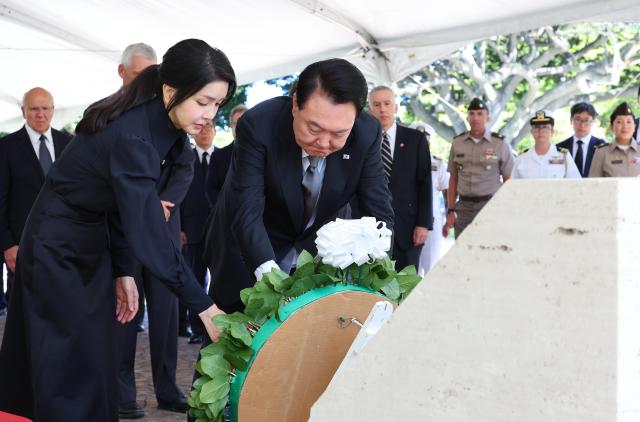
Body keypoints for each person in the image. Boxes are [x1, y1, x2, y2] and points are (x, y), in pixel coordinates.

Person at [0, 38, 234, 422]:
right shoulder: (134, 134)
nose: (210, 115)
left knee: (97, 354)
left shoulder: (168, 125)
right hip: (56, 245)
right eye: (203, 101)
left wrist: (124, 270)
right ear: (172, 90)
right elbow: (146, 230)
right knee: (68, 361)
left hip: (93, 239)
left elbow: (122, 210)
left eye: (218, 104)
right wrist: (204, 305)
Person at [203, 58, 394, 314]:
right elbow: (247, 212)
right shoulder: (259, 125)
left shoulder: (367, 132)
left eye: (338, 134)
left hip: (312, 252)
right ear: (295, 104)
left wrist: (377, 272)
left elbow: (378, 211)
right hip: (249, 247)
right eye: (314, 128)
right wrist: (270, 279)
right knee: (237, 338)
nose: (324, 143)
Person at [111, 43, 196, 419]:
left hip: (162, 227)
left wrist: (162, 203)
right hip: (123, 231)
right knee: (125, 314)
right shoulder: (109, 113)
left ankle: (167, 388)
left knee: (165, 315)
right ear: (122, 72)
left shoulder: (172, 113)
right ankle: (122, 393)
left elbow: (185, 167)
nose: (149, 80)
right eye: (140, 73)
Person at [0, 88, 72, 317]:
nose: (40, 114)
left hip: (64, 245)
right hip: (21, 247)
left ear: (52, 111)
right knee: (25, 315)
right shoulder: (6, 148)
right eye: (33, 109)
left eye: (45, 108)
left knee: (62, 312)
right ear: (23, 112)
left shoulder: (69, 144)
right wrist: (7, 245)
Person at [365, 86, 432, 271]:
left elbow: (425, 184)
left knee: (406, 288)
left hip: (408, 228)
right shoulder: (362, 139)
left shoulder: (415, 139)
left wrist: (423, 224)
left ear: (396, 107)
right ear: (370, 109)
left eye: (387, 104)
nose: (382, 109)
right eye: (377, 105)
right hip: (370, 228)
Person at [443, 98, 513, 239]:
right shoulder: (457, 143)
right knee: (462, 251)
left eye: (480, 114)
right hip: (463, 208)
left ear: (488, 118)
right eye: (472, 114)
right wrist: (450, 210)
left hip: (490, 207)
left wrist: (506, 208)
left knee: (489, 250)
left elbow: (508, 179)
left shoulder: (499, 143)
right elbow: (453, 179)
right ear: (467, 117)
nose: (475, 118)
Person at [180, 121, 217, 345]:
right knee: (194, 279)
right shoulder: (187, 158)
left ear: (214, 132)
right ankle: (196, 328)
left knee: (219, 280)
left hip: (218, 230)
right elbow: (180, 195)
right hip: (191, 230)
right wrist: (180, 227)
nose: (205, 132)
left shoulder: (224, 156)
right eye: (201, 128)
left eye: (209, 128)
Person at [512, 110, 581, 179]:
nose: (541, 131)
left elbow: (576, 184)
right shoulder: (521, 159)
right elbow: (513, 186)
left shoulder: (564, 156)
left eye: (545, 127)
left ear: (552, 131)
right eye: (537, 127)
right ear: (532, 131)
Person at [589, 102, 639, 177]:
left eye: (629, 122)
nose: (625, 126)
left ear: (634, 127)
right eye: (619, 122)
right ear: (612, 127)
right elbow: (593, 183)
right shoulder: (602, 152)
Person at [555, 102, 606, 177]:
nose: (582, 125)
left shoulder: (601, 147)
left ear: (593, 122)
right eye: (578, 119)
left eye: (586, 120)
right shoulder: (560, 148)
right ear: (571, 120)